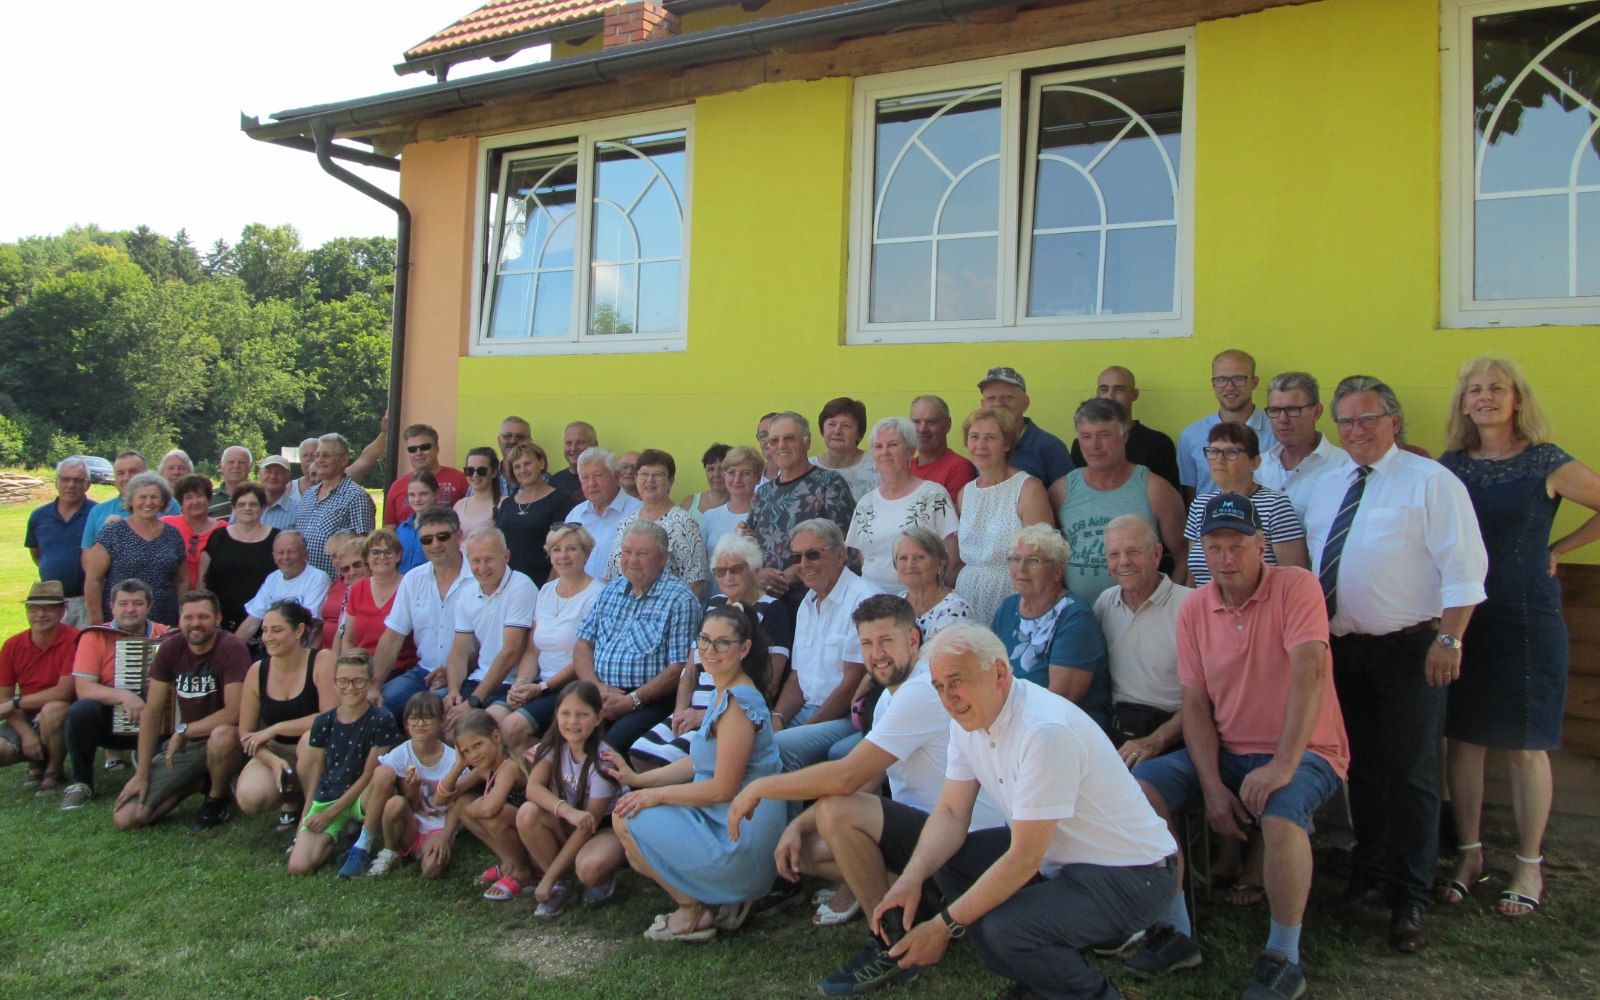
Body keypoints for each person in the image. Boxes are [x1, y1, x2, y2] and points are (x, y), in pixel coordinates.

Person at [872, 623, 1178, 1000]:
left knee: (1008, 927)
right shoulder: (969, 718)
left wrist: (943, 926)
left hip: (1131, 874)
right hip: (1060, 855)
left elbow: (1023, 859)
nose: (949, 697)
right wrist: (910, 879)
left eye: (957, 680)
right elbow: (951, 812)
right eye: (938, 686)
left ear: (1000, 673)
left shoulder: (1043, 730)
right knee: (951, 862)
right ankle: (1040, 984)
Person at [726, 595, 1007, 994]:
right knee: (805, 847)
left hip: (970, 838)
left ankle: (890, 944)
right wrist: (797, 826)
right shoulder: (891, 693)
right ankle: (924, 905)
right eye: (867, 644)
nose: (877, 655)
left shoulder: (923, 688)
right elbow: (866, 780)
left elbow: (846, 779)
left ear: (913, 639)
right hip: (932, 837)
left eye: (886, 641)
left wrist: (759, 788)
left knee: (838, 813)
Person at [1128, 493, 1349, 998]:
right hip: (1227, 750)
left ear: (1261, 545)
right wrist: (1211, 789)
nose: (1226, 558)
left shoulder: (1297, 587)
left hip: (1308, 749)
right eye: (1215, 546)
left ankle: (1283, 955)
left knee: (1280, 814)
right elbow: (1197, 707)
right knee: (1141, 792)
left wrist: (1281, 766)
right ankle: (1176, 931)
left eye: (1238, 546)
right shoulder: (1195, 608)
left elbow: (1310, 676)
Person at [1302, 374, 1488, 953]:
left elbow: (1465, 570)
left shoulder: (1431, 482)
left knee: (1411, 773)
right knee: (1362, 767)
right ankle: (1371, 871)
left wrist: (1450, 641)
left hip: (1413, 648)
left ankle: (1411, 893)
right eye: (1347, 421)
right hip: (1344, 648)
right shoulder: (1328, 484)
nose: (1357, 431)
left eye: (1368, 419)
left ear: (1394, 422)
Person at [1437, 357, 1600, 918]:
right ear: (1462, 404)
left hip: (1527, 617)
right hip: (1462, 619)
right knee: (1463, 741)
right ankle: (1469, 854)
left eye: (1496, 389)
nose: (1485, 397)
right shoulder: (1452, 466)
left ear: (1517, 400)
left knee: (1527, 747)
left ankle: (1530, 862)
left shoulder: (1546, 462)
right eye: (1474, 390)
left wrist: (1559, 549)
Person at [607, 603, 786, 941]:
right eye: (704, 640)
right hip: (723, 820)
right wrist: (638, 780)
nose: (709, 650)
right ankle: (713, 899)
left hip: (738, 837)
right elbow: (699, 761)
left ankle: (693, 909)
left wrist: (655, 795)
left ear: (744, 648)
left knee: (624, 818)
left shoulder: (737, 703)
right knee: (633, 822)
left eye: (722, 643)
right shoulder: (724, 689)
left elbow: (721, 787)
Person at [631, 533, 795, 770]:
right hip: (691, 710)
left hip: (732, 714)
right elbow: (689, 669)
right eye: (720, 571)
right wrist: (679, 711)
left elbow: (768, 682)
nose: (727, 577)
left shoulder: (772, 610)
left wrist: (706, 716)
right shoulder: (714, 605)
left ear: (756, 570)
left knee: (662, 760)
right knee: (638, 752)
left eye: (736, 569)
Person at [113, 590, 251, 832]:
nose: (195, 624)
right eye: (188, 618)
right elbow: (153, 713)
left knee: (222, 736)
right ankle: (199, 780)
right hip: (188, 743)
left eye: (203, 617)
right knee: (128, 818)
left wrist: (185, 730)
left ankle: (216, 799)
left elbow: (234, 714)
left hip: (227, 740)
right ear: (180, 620)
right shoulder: (170, 649)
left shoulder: (232, 648)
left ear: (217, 619)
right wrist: (141, 773)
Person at [572, 521, 700, 754]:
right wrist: (595, 687)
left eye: (643, 553)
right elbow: (583, 644)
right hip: (599, 691)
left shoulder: (681, 600)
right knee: (567, 731)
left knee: (611, 745)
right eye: (627, 552)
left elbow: (679, 667)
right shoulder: (610, 590)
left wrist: (631, 701)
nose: (632, 560)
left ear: (663, 557)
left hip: (650, 700)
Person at [773, 519, 881, 771]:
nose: (804, 565)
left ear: (840, 555)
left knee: (779, 749)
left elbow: (851, 685)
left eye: (813, 554)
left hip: (844, 716)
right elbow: (797, 677)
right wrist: (777, 718)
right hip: (807, 710)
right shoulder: (807, 604)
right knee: (750, 742)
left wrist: (803, 731)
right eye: (797, 557)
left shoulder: (864, 601)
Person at [1060, 397, 1189, 601]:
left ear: (1124, 435)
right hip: (1078, 620)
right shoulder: (1061, 490)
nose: (1094, 445)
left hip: (1139, 617)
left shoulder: (1156, 490)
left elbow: (1185, 555)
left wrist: (1166, 606)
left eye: (1104, 435)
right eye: (1086, 436)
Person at [514, 681, 625, 914]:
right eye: (565, 713)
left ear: (598, 718)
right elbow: (533, 788)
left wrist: (547, 878)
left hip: (606, 827)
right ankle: (562, 885)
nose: (572, 722)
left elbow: (589, 824)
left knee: (589, 869)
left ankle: (600, 876)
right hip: (573, 817)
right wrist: (565, 811)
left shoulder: (603, 760)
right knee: (527, 812)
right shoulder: (555, 743)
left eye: (582, 714)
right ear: (556, 715)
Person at [61, 580, 173, 810]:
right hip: (110, 722)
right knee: (81, 711)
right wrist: (124, 695)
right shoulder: (94, 636)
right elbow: (84, 689)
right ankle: (81, 783)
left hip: (158, 723)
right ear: (112, 607)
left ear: (149, 606)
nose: (130, 609)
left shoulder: (168, 636)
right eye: (123, 603)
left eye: (137, 603)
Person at [287, 649, 401, 876]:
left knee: (384, 774)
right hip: (330, 794)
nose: (350, 687)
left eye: (358, 681)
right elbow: (317, 774)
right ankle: (340, 832)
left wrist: (329, 815)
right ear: (334, 682)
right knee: (299, 866)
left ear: (371, 682)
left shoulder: (382, 720)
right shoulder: (323, 722)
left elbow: (369, 775)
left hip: (363, 795)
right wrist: (305, 821)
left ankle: (362, 845)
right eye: (343, 681)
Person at [495, 524, 605, 753]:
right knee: (491, 720)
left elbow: (585, 656)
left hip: (571, 687)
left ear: (586, 554)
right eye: (556, 549)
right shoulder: (546, 591)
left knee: (512, 727)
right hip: (539, 684)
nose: (563, 556)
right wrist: (521, 685)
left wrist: (542, 688)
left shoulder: (598, 594)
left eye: (571, 549)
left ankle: (545, 774)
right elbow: (532, 651)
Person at [990, 524, 1111, 728]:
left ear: (1057, 571)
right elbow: (987, 669)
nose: (1021, 568)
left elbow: (1060, 698)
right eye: (1015, 559)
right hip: (1007, 719)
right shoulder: (1008, 607)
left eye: (1033, 561)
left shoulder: (1075, 616)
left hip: (1058, 727)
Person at [1093, 515, 1192, 757]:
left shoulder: (1190, 605)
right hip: (1119, 726)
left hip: (1175, 733)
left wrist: (1155, 742)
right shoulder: (1105, 603)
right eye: (1114, 555)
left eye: (1133, 551)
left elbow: (1206, 699)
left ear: (1157, 554)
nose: (1123, 562)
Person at [233, 600, 337, 829]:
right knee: (251, 798)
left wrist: (275, 728)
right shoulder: (257, 670)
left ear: (298, 630)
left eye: (276, 630)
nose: (268, 637)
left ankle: (309, 820)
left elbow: (328, 716)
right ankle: (292, 797)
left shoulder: (322, 660)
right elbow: (246, 732)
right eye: (265, 630)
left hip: (317, 750)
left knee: (310, 740)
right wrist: (272, 760)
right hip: (277, 750)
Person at [744, 412, 857, 614]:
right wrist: (757, 573)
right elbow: (748, 542)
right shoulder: (763, 493)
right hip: (768, 602)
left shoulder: (829, 484)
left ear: (807, 441)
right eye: (775, 441)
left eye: (789, 438)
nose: (781, 446)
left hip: (816, 599)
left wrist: (795, 571)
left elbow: (844, 542)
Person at [952, 407, 1054, 625]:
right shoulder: (965, 493)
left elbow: (1045, 556)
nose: (980, 446)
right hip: (967, 596)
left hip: (1012, 596)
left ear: (1006, 443)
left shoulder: (1028, 488)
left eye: (990, 438)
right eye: (974, 437)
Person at [374, 507, 473, 718]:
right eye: (427, 539)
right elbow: (392, 638)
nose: (435, 544)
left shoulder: (480, 577)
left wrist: (453, 672)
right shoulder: (413, 579)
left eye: (442, 537)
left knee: (427, 713)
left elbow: (493, 644)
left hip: (471, 675)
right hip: (423, 672)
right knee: (374, 709)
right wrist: (374, 686)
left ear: (458, 536)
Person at [1182, 423, 1309, 586]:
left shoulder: (1275, 506)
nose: (1219, 460)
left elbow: (1295, 579)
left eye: (1231, 452)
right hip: (1205, 608)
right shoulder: (1200, 506)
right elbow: (1193, 575)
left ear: (1254, 463)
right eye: (1213, 451)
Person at [353, 691, 459, 878]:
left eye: (428, 718)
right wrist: (412, 790)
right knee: (395, 803)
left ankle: (423, 854)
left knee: (432, 870)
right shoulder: (401, 754)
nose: (420, 724)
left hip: (437, 826)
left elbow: (457, 806)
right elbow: (410, 805)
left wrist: (445, 837)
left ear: (441, 722)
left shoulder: (453, 759)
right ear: (407, 725)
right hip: (411, 822)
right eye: (415, 718)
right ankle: (390, 850)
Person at [847, 417, 959, 593]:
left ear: (910, 452)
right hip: (871, 603)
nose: (884, 452)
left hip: (919, 600)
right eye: (878, 446)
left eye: (892, 445)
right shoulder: (865, 503)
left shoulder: (933, 495)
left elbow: (951, 556)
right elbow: (865, 558)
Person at [443, 527, 537, 728]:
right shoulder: (467, 594)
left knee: (472, 729)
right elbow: (458, 652)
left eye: (489, 559)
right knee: (437, 718)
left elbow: (510, 652)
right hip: (478, 678)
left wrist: (473, 702)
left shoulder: (521, 587)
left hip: (510, 684)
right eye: (476, 561)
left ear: (506, 556)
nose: (482, 567)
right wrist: (453, 692)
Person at [0, 582, 79, 793]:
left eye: (48, 608)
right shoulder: (12, 645)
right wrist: (26, 733)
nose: (40, 614)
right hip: (26, 716)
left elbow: (64, 691)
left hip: (63, 714)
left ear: (62, 610)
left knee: (53, 710)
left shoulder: (74, 640)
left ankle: (53, 769)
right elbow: (2, 696)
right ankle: (36, 761)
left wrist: (16, 702)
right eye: (33, 609)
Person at [604, 450, 710, 601]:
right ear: (636, 478)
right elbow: (610, 575)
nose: (649, 480)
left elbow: (696, 582)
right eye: (644, 474)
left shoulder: (683, 522)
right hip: (621, 613)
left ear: (671, 480)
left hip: (663, 615)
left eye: (658, 475)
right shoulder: (626, 522)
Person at [83, 471, 186, 626]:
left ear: (163, 501)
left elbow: (182, 580)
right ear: (131, 500)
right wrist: (96, 621)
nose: (148, 502)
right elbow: (93, 580)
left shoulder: (173, 534)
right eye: (142, 497)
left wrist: (182, 615)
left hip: (164, 621)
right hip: (122, 620)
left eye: (154, 497)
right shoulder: (113, 532)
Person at [1177, 349, 1278, 503]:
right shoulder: (1191, 436)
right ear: (1213, 384)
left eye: (1239, 379)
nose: (1229, 387)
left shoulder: (1277, 433)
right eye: (1221, 379)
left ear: (1254, 382)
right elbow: (1190, 495)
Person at [1069, 366, 1182, 494]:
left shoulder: (1158, 443)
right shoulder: (1083, 444)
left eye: (1119, 389)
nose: (1110, 397)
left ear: (1134, 394)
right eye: (1104, 389)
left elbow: (1169, 497)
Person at [1257, 372, 1351, 518]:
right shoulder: (1259, 466)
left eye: (1292, 410)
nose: (1282, 419)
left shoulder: (1344, 466)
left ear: (1316, 412)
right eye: (1275, 410)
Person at [978, 366, 1074, 508]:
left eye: (1008, 397)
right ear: (983, 405)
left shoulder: (1051, 447)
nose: (998, 404)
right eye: (991, 398)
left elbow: (1071, 504)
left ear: (1025, 403)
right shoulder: (979, 449)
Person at [338, 528, 418, 688]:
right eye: (375, 552)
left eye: (388, 552)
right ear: (367, 557)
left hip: (401, 670)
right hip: (362, 670)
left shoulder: (410, 586)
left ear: (398, 556)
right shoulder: (357, 589)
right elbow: (348, 640)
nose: (382, 557)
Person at [198, 482, 281, 633]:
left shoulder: (276, 539)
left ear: (263, 508)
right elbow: (202, 579)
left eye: (253, 504)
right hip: (219, 619)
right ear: (233, 508)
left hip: (262, 621)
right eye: (241, 504)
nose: (247, 508)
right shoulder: (218, 536)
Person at [25, 457, 97, 627]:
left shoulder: (96, 513)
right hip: (51, 602)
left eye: (77, 480)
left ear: (87, 485)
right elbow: (37, 555)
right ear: (56, 482)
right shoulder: (39, 516)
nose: (70, 485)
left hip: (86, 600)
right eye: (65, 479)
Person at [294, 432, 377, 577]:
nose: (319, 460)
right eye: (317, 455)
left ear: (344, 459)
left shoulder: (356, 497)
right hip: (304, 583)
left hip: (336, 584)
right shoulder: (308, 495)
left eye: (326, 455)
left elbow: (363, 547)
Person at [236, 532, 333, 644]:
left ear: (305, 554)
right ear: (274, 556)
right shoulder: (272, 578)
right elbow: (251, 623)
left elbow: (309, 624)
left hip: (298, 652)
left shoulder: (318, 578)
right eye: (280, 553)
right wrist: (232, 649)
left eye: (291, 552)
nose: (285, 557)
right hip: (272, 649)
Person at [79, 450, 179, 548]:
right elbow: (88, 560)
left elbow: (178, 549)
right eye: (120, 473)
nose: (126, 478)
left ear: (146, 474)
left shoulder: (168, 505)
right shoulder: (98, 512)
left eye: (133, 471)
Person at [569, 447, 643, 579]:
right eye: (585, 478)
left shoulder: (639, 513)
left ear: (616, 476)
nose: (591, 484)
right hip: (581, 597)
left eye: (598, 476)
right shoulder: (576, 515)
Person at [893, 527, 973, 638]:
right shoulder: (896, 604)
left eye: (919, 557)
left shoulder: (955, 610)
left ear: (940, 564)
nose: (910, 565)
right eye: (903, 558)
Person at [383, 423, 469, 526]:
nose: (418, 453)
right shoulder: (396, 487)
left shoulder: (460, 480)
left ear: (436, 448)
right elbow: (389, 530)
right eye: (412, 449)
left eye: (424, 447)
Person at [700, 445, 761, 584]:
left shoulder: (765, 517)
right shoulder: (709, 517)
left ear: (758, 478)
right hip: (715, 601)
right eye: (731, 472)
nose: (737, 479)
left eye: (745, 473)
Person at [161, 474, 222, 590]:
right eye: (189, 497)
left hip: (212, 597)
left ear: (209, 500)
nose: (195, 501)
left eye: (200, 496)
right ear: (181, 503)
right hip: (174, 597)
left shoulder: (224, 530)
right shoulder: (166, 525)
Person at [909, 395, 977, 499]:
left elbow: (953, 514)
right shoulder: (907, 467)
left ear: (947, 425)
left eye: (931, 422)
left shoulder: (959, 467)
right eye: (916, 422)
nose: (922, 429)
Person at [812, 397, 879, 501]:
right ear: (822, 429)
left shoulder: (877, 466)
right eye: (832, 424)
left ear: (859, 434)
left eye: (846, 426)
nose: (837, 431)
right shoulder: (808, 467)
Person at [321, 534, 368, 652]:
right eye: (346, 569)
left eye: (357, 565)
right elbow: (340, 632)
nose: (352, 572)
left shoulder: (377, 592)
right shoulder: (349, 590)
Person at [454, 447, 504, 542]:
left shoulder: (504, 503)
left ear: (494, 472)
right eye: (470, 470)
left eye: (481, 470)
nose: (475, 475)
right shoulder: (459, 505)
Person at [394, 472, 439, 574]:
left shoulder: (441, 527)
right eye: (412, 495)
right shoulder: (402, 528)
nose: (417, 499)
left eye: (423, 494)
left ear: (436, 493)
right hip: (403, 584)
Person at [680, 443, 732, 526]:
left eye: (722, 469)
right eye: (711, 469)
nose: (716, 474)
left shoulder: (744, 506)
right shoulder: (689, 504)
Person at [550, 421, 598, 506]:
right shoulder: (555, 481)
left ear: (595, 445)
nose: (573, 448)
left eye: (580, 442)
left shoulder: (605, 479)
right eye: (569, 443)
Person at [495, 415, 533, 498]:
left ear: (530, 442)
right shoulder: (484, 476)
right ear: (499, 440)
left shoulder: (541, 479)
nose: (513, 441)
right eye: (507, 436)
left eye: (520, 437)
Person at [258, 455, 299, 530]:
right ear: (260, 474)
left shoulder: (298, 509)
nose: (273, 476)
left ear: (288, 477)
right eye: (268, 471)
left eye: (279, 472)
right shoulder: (245, 505)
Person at [211, 446, 254, 516]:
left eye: (242, 462)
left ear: (250, 467)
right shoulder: (208, 498)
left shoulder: (261, 495)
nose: (236, 466)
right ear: (222, 467)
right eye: (231, 462)